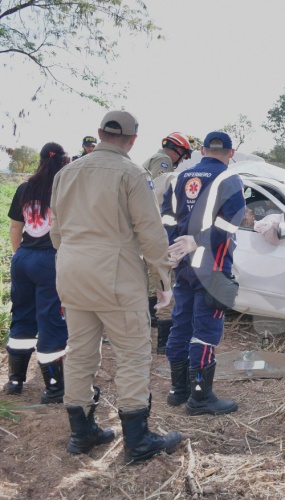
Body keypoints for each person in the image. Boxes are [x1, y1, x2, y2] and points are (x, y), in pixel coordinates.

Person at [50, 110, 182, 464]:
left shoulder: (66, 172)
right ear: (133, 139)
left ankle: (82, 433)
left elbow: (56, 232)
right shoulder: (132, 173)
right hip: (116, 276)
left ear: (99, 133)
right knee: (133, 354)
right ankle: (137, 440)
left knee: (78, 352)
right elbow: (152, 234)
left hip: (71, 273)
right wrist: (163, 282)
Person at [161, 131, 245, 416]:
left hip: (184, 265)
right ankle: (200, 396)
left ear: (203, 150)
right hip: (213, 266)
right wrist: (197, 241)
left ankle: (178, 390)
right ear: (230, 153)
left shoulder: (179, 177)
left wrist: (176, 246)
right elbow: (230, 225)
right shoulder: (229, 178)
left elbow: (167, 218)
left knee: (181, 324)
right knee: (206, 331)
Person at [4, 143, 70, 404]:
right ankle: (54, 388)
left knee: (22, 315)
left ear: (40, 160)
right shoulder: (63, 189)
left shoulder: (24, 188)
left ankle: (15, 381)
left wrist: (20, 254)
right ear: (63, 161)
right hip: (50, 260)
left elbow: (15, 228)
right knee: (51, 320)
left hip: (23, 258)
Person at [142, 132, 193, 349]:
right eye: (183, 155)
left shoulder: (154, 159)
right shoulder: (163, 161)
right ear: (178, 150)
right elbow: (157, 190)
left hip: (148, 226)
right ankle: (161, 337)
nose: (182, 160)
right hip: (155, 227)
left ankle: (152, 319)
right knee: (162, 277)